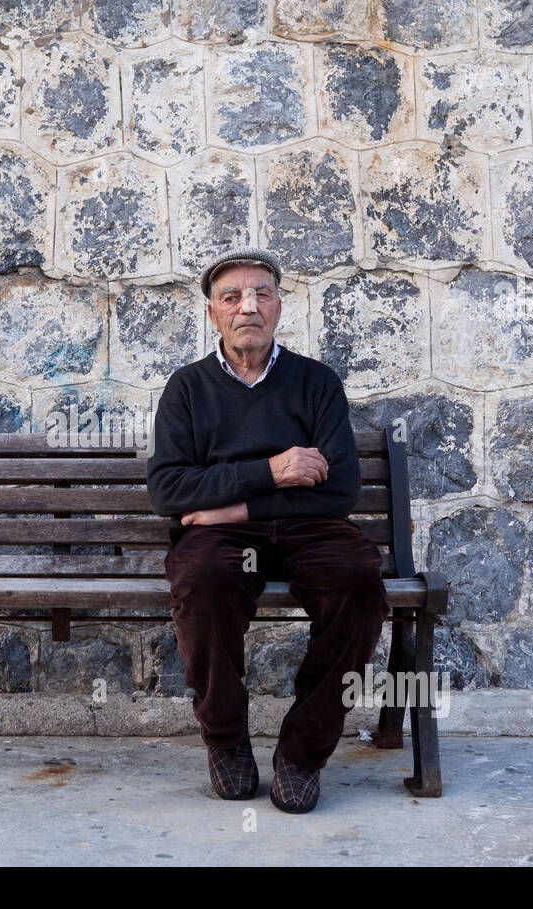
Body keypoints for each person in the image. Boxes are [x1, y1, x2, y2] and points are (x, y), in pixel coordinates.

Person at [146, 247, 390, 813]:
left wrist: (233, 507)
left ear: (279, 306)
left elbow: (339, 491)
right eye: (232, 297)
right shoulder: (187, 388)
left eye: (261, 294)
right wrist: (274, 470)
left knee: (357, 583)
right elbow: (167, 491)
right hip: (223, 543)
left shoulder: (316, 383)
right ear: (214, 315)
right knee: (202, 580)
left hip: (307, 529)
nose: (247, 306)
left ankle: (303, 752)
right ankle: (227, 743)